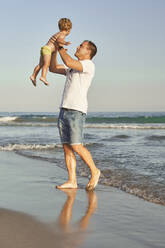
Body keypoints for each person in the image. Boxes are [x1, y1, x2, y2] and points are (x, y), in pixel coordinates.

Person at [49, 39, 101, 190]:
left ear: (88, 52)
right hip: (64, 109)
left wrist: (60, 48)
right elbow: (52, 68)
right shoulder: (71, 67)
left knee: (77, 146)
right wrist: (54, 52)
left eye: (82, 46)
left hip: (76, 111)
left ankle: (95, 171)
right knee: (67, 147)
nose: (78, 47)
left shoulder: (88, 65)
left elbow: (70, 62)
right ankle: (72, 181)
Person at [30, 18, 72, 87]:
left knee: (40, 64)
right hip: (48, 50)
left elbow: (57, 44)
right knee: (46, 64)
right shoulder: (62, 34)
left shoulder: (58, 33)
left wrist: (63, 49)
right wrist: (65, 42)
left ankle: (33, 76)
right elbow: (59, 40)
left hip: (45, 48)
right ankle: (43, 77)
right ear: (69, 29)